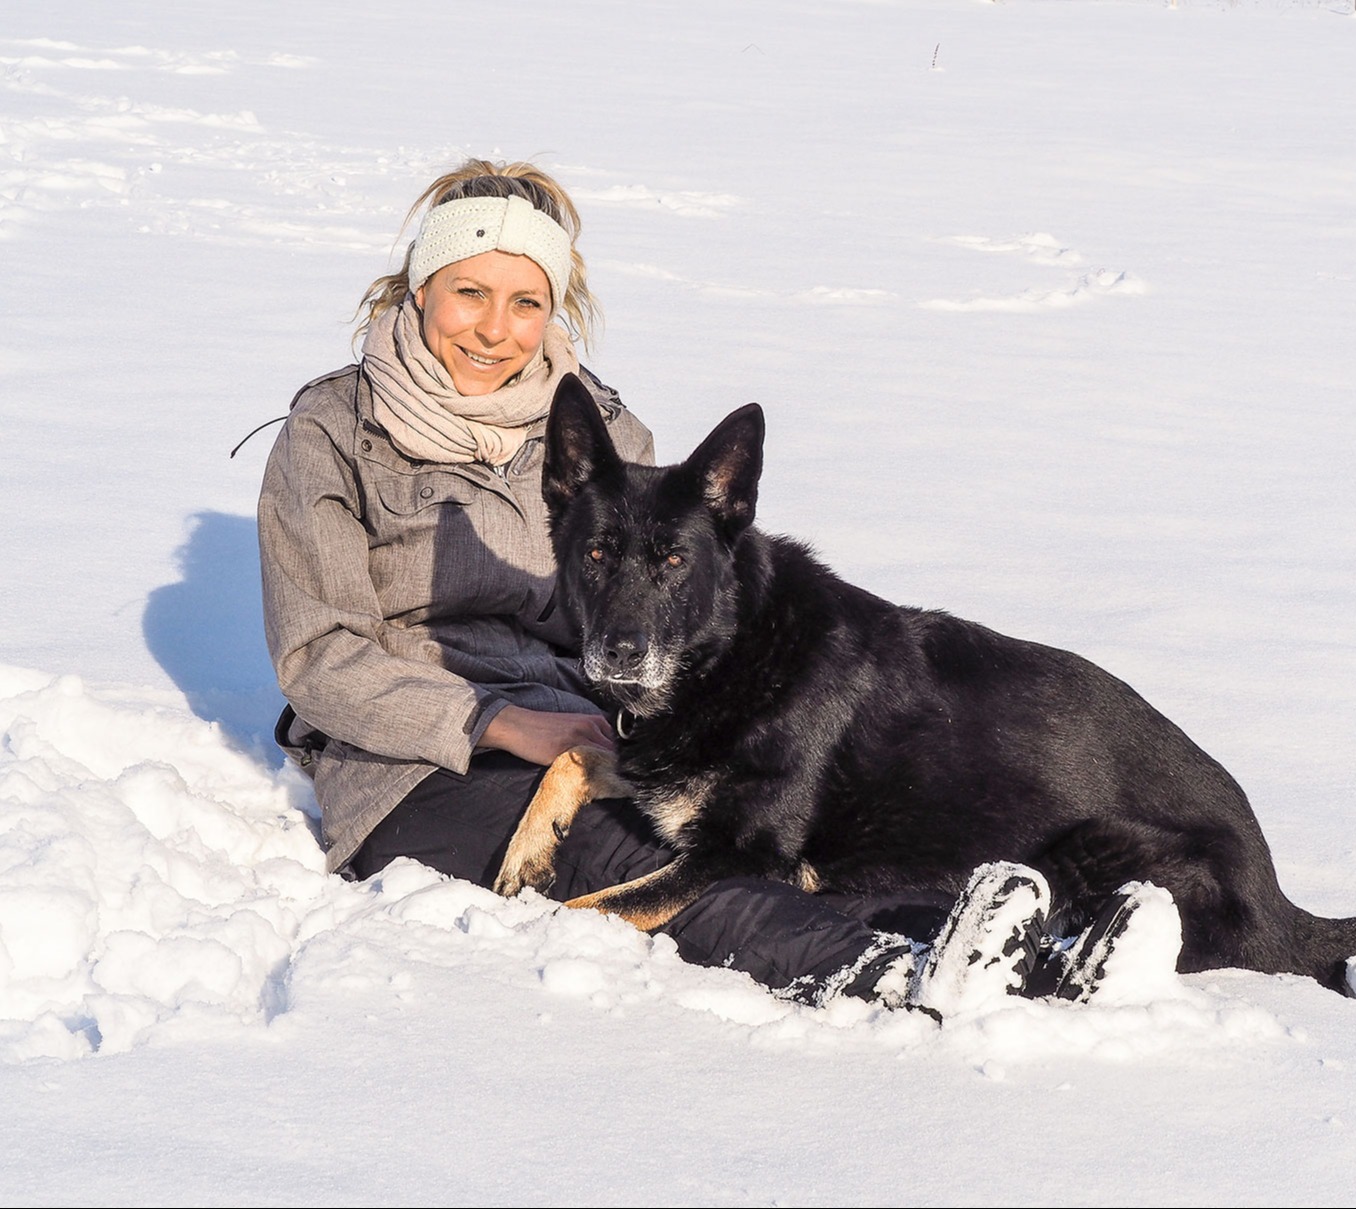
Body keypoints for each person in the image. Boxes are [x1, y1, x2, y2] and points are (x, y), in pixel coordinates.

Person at [257, 159, 1161, 1013]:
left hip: (598, 726)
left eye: (525, 302)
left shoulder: (598, 428)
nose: (495, 329)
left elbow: (672, 602)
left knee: (772, 829)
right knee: (642, 861)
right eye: (469, 293)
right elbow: (320, 659)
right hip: (419, 761)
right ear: (420, 289)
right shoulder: (335, 432)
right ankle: (904, 966)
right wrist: (505, 724)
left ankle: (1024, 941)